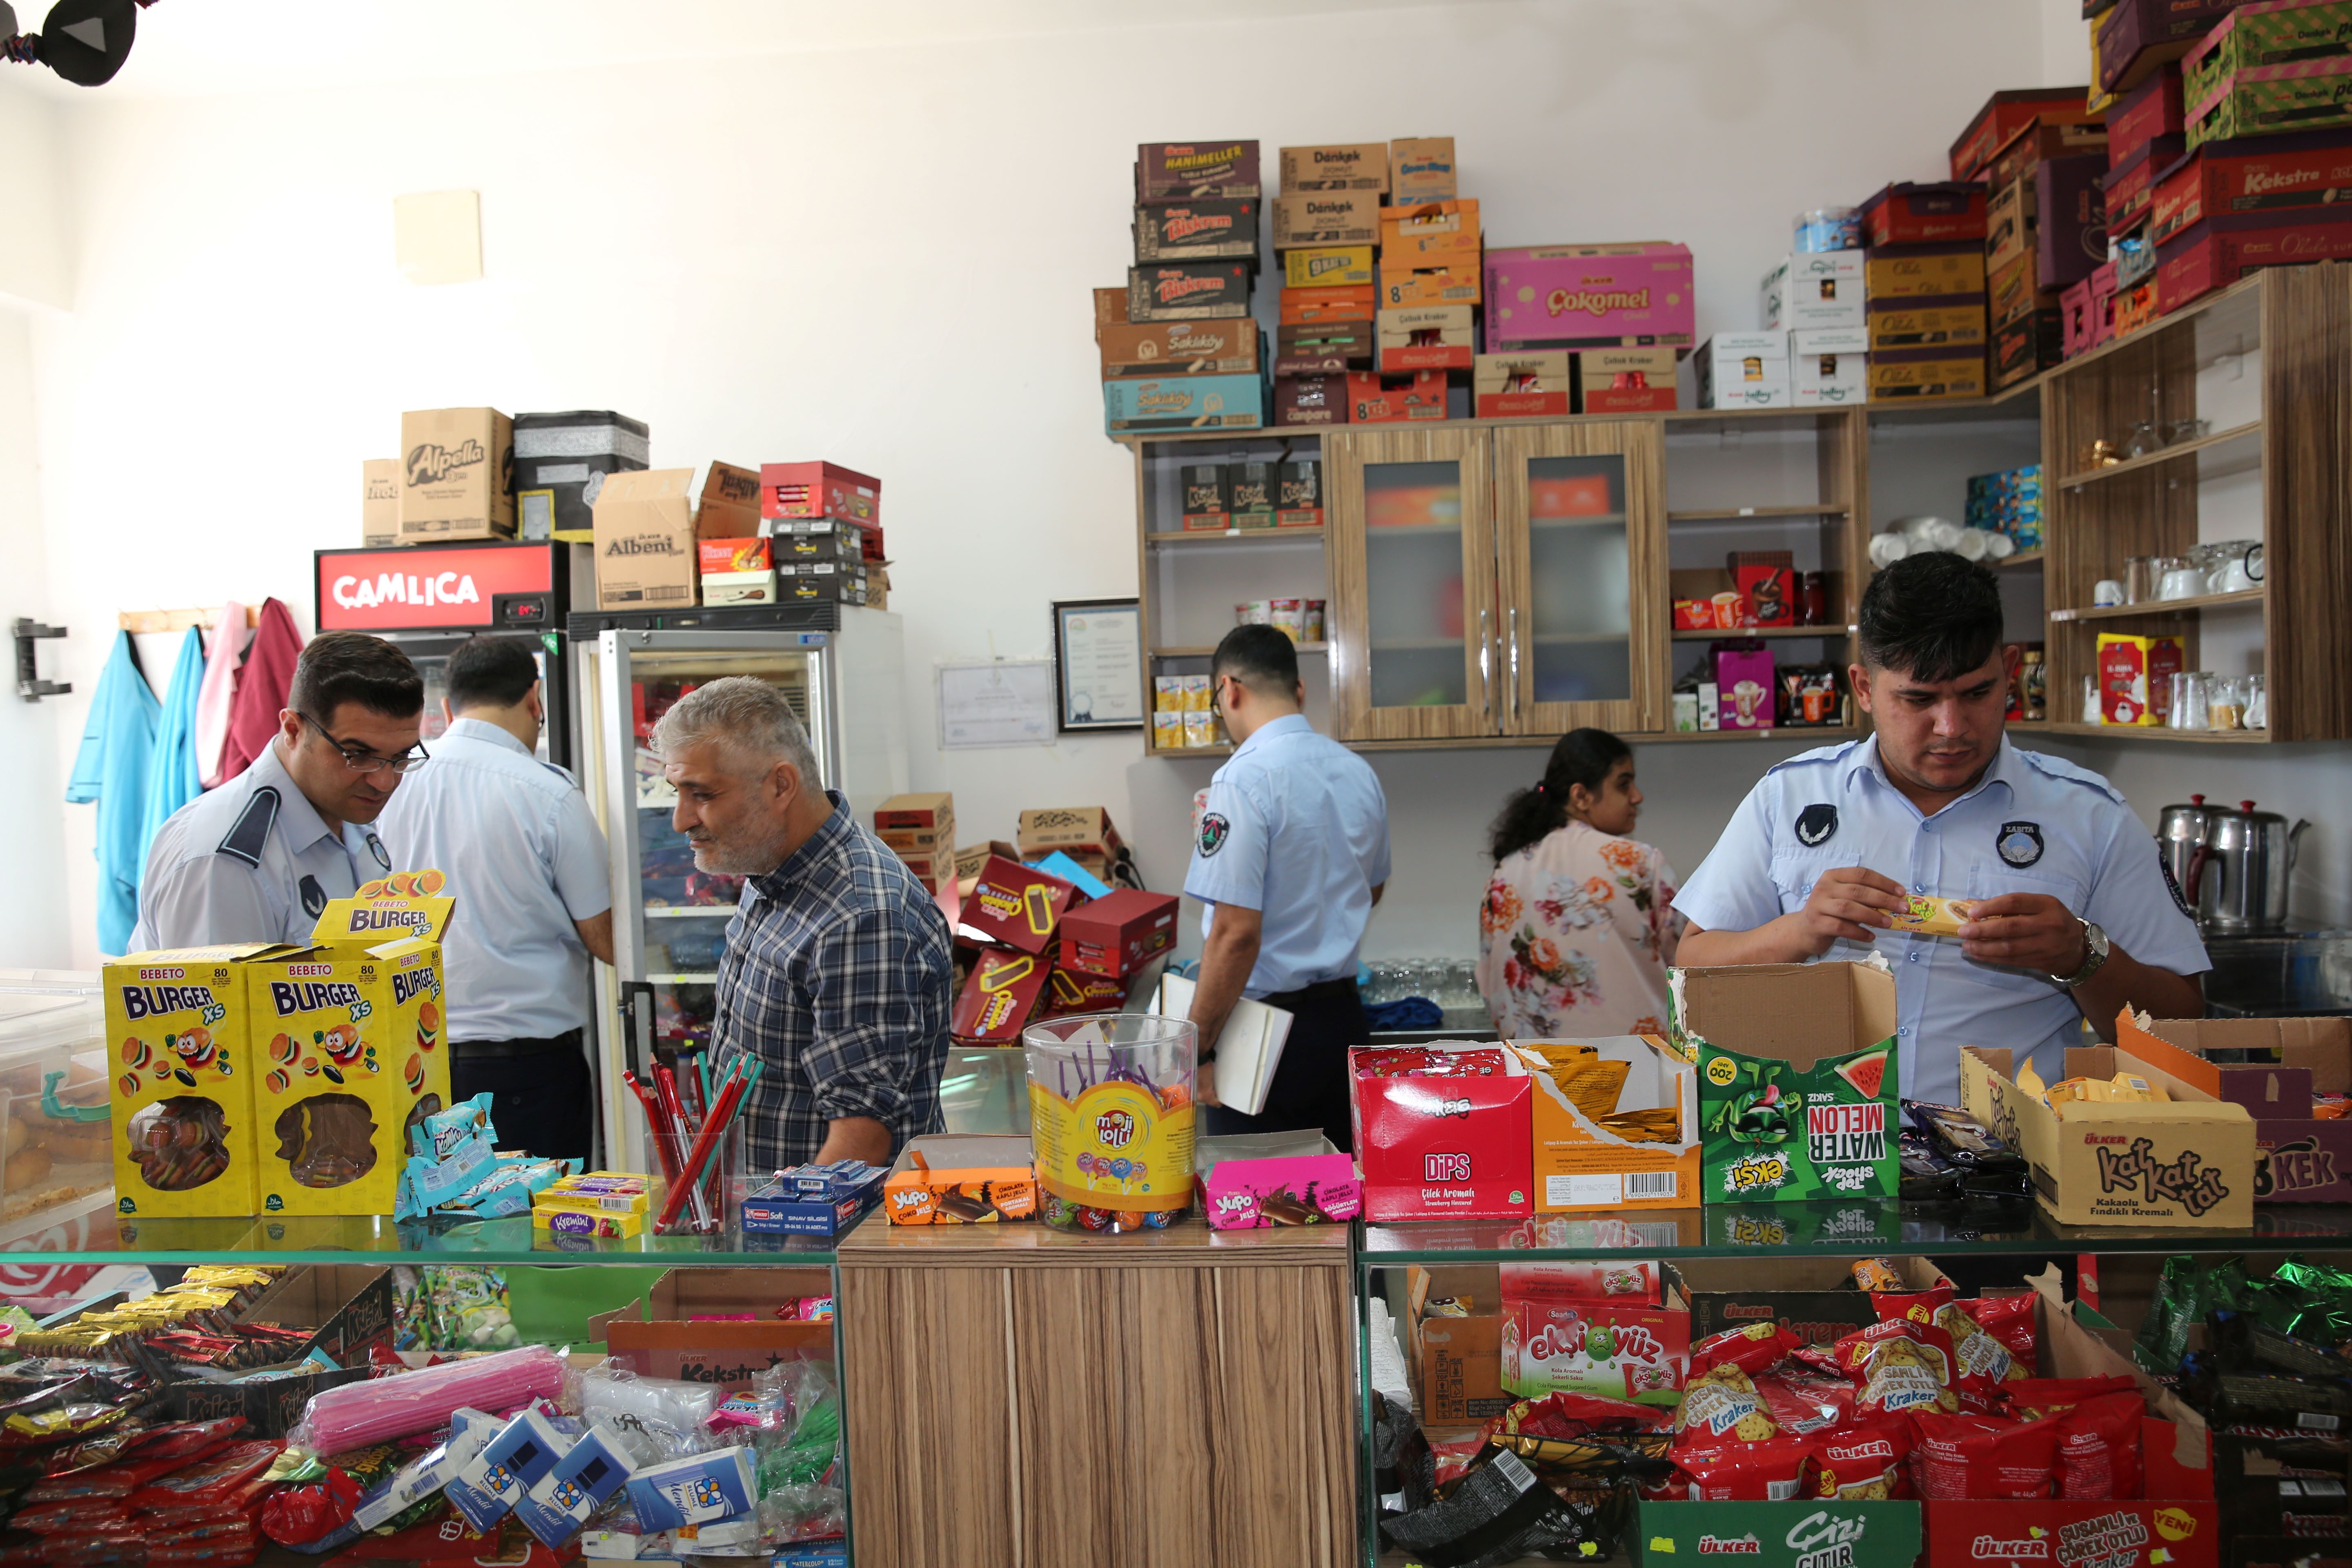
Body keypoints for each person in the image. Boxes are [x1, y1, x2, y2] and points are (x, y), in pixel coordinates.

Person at [1673, 552, 2208, 1104]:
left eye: (1977, 693)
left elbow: (2182, 1023)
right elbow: (1691, 965)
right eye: (1918, 700)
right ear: (1862, 688)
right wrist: (1799, 931)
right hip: (1813, 1154)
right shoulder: (1789, 797)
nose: (1951, 728)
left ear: (2011, 670)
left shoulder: (2090, 815)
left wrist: (2081, 955)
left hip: (2008, 1167)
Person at [654, 676, 953, 1169]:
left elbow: (859, 1144)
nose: (680, 819)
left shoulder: (861, 920)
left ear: (780, 785)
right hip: (760, 1217)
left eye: (702, 794)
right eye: (677, 792)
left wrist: (791, 1243)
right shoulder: (770, 864)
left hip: (823, 1236)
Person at [376, 636, 613, 1160]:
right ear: (535, 700)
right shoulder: (550, 795)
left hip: (409, 1060)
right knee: (535, 1230)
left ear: (446, 707)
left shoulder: (386, 785)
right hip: (526, 1072)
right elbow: (607, 939)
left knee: (431, 1228)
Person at [1184, 625, 1390, 1151]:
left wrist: (1198, 1050)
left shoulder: (1241, 780)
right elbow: (1371, 889)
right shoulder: (1357, 772)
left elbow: (1235, 934)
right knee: (1342, 1203)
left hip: (1261, 1036)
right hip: (1342, 1025)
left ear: (1229, 689)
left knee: (1262, 1213)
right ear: (1299, 690)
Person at [129, 631, 423, 951]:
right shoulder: (224, 862)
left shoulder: (349, 809)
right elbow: (212, 1000)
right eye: (358, 755)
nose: (384, 782)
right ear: (294, 731)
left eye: (401, 757)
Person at [1477, 728, 1680, 1039]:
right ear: (1581, 796)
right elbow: (1686, 970)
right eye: (1624, 784)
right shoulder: (1639, 863)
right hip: (1635, 1070)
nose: (1637, 796)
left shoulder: (1505, 872)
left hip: (1537, 1071)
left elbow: (1491, 986)